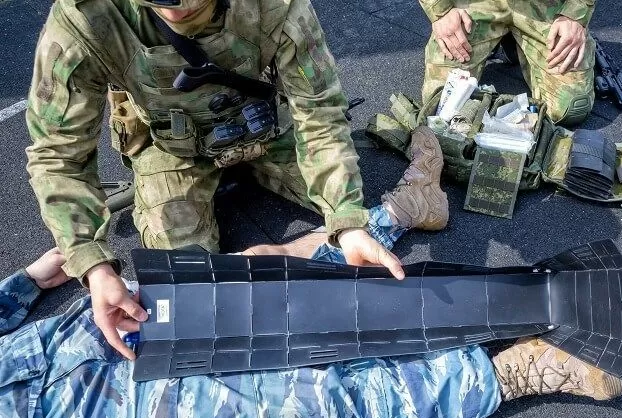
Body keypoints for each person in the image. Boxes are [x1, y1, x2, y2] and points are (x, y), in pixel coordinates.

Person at [1, 234, 622, 418]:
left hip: (71, 340)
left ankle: (388, 218)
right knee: (316, 399)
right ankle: (508, 373)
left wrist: (25, 284)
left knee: (263, 281)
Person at [25, 0, 448, 361]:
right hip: (172, 149)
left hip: (264, 127)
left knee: (348, 203)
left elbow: (319, 114)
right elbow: (58, 154)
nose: (178, 10)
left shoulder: (274, 5)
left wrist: (347, 222)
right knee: (185, 289)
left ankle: (404, 206)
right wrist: (93, 265)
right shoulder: (87, 17)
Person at [419, 0, 597, 125]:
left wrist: (574, 15)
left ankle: (514, 42)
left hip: (544, 9)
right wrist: (441, 12)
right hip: (473, 6)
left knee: (569, 109)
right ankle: (505, 38)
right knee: (442, 103)